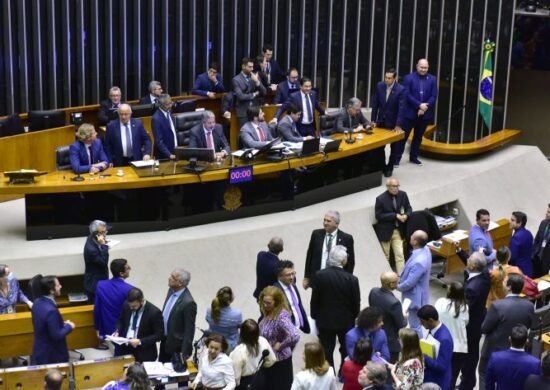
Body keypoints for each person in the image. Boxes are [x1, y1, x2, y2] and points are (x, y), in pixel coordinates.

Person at [478, 273, 534, 388]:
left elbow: (484, 329)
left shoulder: (497, 306)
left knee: (484, 374)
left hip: (493, 351)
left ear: (509, 287)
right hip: (517, 349)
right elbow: (528, 326)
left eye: (504, 281)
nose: (502, 282)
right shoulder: (529, 305)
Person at [310, 245, 361, 372]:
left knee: (327, 349)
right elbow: (356, 302)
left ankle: (329, 373)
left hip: (324, 320)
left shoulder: (319, 276)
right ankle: (343, 373)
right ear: (343, 260)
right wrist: (354, 316)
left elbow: (315, 298)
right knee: (346, 348)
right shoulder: (352, 279)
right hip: (346, 321)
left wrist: (314, 315)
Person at [395, 58, 438, 166]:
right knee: (403, 138)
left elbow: (434, 96)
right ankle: (396, 160)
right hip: (410, 114)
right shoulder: (408, 78)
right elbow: (406, 95)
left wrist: (424, 107)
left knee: (418, 137)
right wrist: (419, 105)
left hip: (424, 114)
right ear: (417, 66)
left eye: (426, 67)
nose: (423, 69)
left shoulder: (433, 79)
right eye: (421, 67)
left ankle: (413, 158)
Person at [458, 252, 490, 390]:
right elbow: (474, 263)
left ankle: (467, 383)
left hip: (471, 325)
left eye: (469, 260)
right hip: (479, 318)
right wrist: (460, 252)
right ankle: (467, 378)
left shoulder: (471, 288)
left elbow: (463, 309)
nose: (467, 260)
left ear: (472, 266)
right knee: (472, 352)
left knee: (469, 355)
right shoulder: (485, 275)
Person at [258, 286, 300, 390]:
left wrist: (281, 345)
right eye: (264, 302)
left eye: (268, 303)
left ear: (276, 302)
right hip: (269, 360)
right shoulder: (269, 312)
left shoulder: (281, 317)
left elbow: (295, 335)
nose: (265, 305)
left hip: (279, 363)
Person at [303, 210, 355, 289]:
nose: (325, 223)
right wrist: (306, 277)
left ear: (336, 224)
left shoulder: (346, 238)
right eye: (324, 220)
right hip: (318, 278)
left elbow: (350, 262)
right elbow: (309, 256)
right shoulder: (316, 234)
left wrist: (347, 279)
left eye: (328, 221)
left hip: (336, 281)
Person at [370, 68, 406, 177]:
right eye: (385, 77)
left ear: (394, 78)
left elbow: (402, 109)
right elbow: (375, 104)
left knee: (394, 148)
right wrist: (373, 120)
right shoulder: (380, 85)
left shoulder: (401, 89)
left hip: (394, 123)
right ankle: (382, 166)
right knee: (379, 146)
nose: (386, 80)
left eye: (389, 78)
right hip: (381, 122)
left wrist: (398, 125)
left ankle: (390, 167)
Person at [31, 275, 75, 364]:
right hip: (53, 356)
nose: (61, 287)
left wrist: (59, 323)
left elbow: (43, 323)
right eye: (58, 285)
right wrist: (69, 326)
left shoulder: (36, 303)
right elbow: (57, 335)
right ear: (51, 290)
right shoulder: (51, 311)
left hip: (40, 351)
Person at [433, 282, 468, 390]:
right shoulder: (464, 307)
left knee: (439, 374)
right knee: (452, 377)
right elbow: (466, 322)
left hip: (442, 344)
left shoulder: (440, 302)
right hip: (459, 347)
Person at [114, 287, 164, 362]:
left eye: (134, 306)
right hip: (126, 348)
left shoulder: (154, 313)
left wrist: (140, 341)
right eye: (130, 306)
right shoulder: (126, 305)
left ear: (141, 301)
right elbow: (120, 320)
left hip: (144, 352)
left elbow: (159, 335)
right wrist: (117, 331)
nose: (131, 308)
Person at [374, 177, 413, 274]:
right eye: (394, 186)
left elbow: (409, 207)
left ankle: (402, 276)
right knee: (386, 255)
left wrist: (406, 215)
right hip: (385, 232)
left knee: (400, 255)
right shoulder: (380, 199)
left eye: (397, 186)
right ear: (388, 187)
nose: (396, 188)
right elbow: (378, 216)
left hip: (398, 231)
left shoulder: (403, 195)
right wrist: (395, 216)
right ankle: (387, 278)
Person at [397, 230, 431, 336]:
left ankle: (418, 349)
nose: (410, 236)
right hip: (420, 292)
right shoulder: (426, 249)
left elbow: (409, 284)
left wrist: (396, 286)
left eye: (412, 236)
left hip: (414, 299)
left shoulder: (418, 262)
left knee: (415, 326)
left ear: (415, 242)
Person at [159, 268, 197, 363]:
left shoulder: (189, 303)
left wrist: (184, 353)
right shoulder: (171, 290)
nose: (169, 278)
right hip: (164, 341)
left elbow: (189, 330)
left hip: (176, 347)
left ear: (180, 283)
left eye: (173, 277)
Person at [485, 325, 540, 390]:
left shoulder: (495, 357)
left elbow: (489, 384)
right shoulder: (535, 363)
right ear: (527, 341)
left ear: (509, 339)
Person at [368, 271, 407, 363]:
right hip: (390, 341)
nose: (399, 282)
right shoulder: (394, 303)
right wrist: (404, 316)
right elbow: (401, 324)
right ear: (391, 284)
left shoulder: (373, 291)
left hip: (374, 334)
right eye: (397, 281)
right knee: (389, 366)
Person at [94, 258, 133, 343]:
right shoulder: (130, 289)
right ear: (121, 273)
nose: (130, 268)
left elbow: (97, 309)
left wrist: (97, 328)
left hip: (106, 327)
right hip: (122, 330)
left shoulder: (100, 285)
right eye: (127, 268)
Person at [230, 319, 276, 390]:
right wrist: (260, 366)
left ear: (242, 333)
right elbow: (272, 359)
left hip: (245, 383)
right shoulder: (263, 341)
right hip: (259, 378)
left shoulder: (239, 351)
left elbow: (236, 377)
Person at [417, 305, 453, 390]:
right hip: (430, 376)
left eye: (422, 322)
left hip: (438, 382)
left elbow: (442, 366)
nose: (420, 324)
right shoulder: (433, 328)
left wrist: (424, 356)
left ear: (430, 321)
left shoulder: (445, 339)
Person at [273, 260, 310, 333]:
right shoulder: (275, 292)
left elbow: (298, 305)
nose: (292, 277)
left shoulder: (292, 284)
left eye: (293, 273)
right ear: (279, 276)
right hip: (286, 332)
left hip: (296, 328)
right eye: (288, 275)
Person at [232, 57, 267, 127]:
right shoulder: (236, 79)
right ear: (243, 66)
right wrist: (254, 94)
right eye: (250, 67)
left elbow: (264, 92)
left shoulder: (255, 76)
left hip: (256, 111)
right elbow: (241, 96)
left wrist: (257, 81)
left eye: (252, 67)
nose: (252, 69)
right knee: (245, 134)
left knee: (258, 132)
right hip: (243, 112)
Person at [206, 286, 243, 351]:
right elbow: (240, 326)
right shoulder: (236, 314)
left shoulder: (209, 310)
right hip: (229, 346)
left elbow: (207, 320)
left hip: (212, 343)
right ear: (230, 300)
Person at [84, 219, 110, 303]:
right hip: (94, 286)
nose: (105, 234)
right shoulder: (91, 249)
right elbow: (103, 262)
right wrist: (104, 246)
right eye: (103, 232)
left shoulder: (93, 239)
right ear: (96, 234)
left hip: (99, 281)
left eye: (106, 231)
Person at [151, 93, 178, 160]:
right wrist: (169, 154)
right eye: (167, 104)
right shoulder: (156, 119)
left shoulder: (169, 111)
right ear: (161, 105)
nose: (170, 106)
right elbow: (159, 141)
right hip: (163, 156)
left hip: (174, 151)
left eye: (171, 103)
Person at [509, 211, 534, 277]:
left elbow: (512, 258)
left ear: (519, 223)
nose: (510, 222)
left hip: (518, 272)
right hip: (528, 269)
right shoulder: (529, 233)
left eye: (512, 220)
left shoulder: (516, 237)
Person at [532, 203, 550, 277]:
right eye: (547, 211)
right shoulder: (543, 223)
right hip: (536, 261)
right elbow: (536, 240)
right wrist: (533, 254)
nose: (546, 214)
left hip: (547, 266)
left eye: (549, 212)